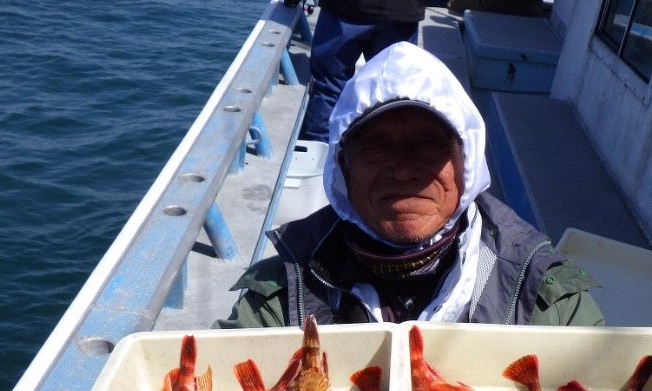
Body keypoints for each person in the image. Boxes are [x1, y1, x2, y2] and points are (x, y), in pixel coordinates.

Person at [216, 41, 603, 328]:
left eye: (430, 144)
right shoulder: (280, 296)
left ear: (466, 162)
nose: (403, 171)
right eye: (376, 146)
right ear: (343, 168)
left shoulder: (543, 296)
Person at [299, 0, 425, 142]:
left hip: (344, 9)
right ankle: (386, 149)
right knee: (393, 92)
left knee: (329, 87)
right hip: (400, 10)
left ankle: (318, 148)